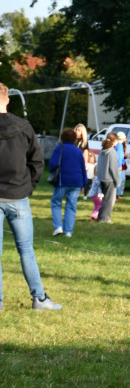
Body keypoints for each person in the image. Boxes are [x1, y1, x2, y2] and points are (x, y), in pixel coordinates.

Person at [0, 84, 63, 311]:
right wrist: (29, 186)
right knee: (26, 250)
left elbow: (36, 163)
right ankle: (39, 298)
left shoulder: (23, 126)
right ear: (7, 100)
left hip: (17, 193)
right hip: (18, 195)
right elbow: (37, 162)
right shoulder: (24, 126)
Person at [49, 128, 88, 238]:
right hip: (76, 181)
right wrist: (84, 182)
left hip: (62, 180)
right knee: (71, 206)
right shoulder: (78, 151)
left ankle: (58, 226)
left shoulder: (59, 149)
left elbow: (53, 164)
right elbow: (82, 167)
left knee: (56, 203)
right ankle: (68, 231)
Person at [94, 134, 120, 224]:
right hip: (109, 179)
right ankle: (105, 218)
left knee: (104, 199)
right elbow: (113, 168)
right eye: (117, 140)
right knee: (109, 200)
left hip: (102, 178)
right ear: (113, 141)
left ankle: (100, 217)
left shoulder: (102, 150)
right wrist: (117, 180)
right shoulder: (112, 152)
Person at [114, 131, 128, 198]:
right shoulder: (120, 145)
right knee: (119, 180)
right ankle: (117, 194)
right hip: (118, 165)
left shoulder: (116, 145)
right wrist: (119, 165)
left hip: (115, 164)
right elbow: (119, 156)